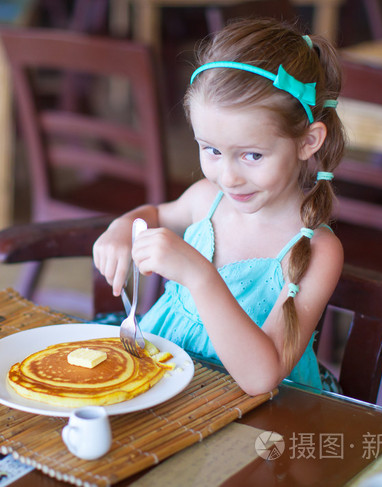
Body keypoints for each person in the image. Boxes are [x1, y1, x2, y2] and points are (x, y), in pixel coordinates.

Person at [93, 18, 345, 396]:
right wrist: (122, 228)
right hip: (166, 387)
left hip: (256, 425)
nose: (227, 177)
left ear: (308, 141)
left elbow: (262, 377)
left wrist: (199, 275)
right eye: (211, 150)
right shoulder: (205, 199)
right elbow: (154, 215)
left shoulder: (317, 252)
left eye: (252, 155)